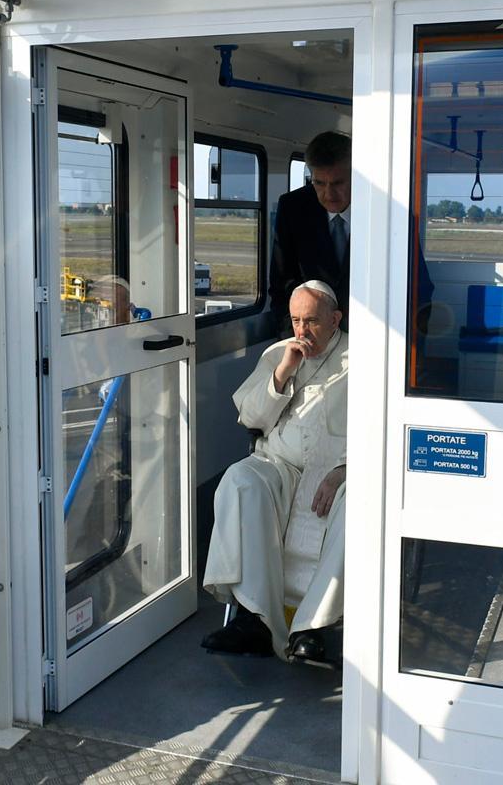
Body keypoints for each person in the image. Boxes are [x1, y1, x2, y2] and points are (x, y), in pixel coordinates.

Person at [202, 281, 348, 666]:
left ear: (335, 319)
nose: (302, 331)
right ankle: (255, 619)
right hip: (279, 466)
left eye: (312, 321)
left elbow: (382, 429)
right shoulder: (276, 354)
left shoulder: (363, 358)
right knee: (240, 480)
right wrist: (282, 373)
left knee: (358, 506)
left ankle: (313, 628)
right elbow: (250, 418)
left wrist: (343, 471)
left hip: (341, 471)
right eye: (297, 320)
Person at [269, 132, 352, 319]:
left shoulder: (381, 208)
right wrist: (295, 338)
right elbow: (281, 286)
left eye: (338, 183)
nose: (329, 194)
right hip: (309, 339)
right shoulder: (293, 208)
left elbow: (416, 286)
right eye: (319, 183)